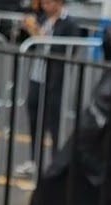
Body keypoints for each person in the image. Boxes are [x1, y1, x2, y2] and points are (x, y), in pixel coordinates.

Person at [15, 0, 82, 177]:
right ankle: (34, 161)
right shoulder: (42, 18)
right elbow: (28, 44)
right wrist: (27, 30)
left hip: (55, 81)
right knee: (34, 118)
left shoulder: (69, 24)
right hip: (37, 76)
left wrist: (40, 35)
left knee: (54, 124)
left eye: (49, 1)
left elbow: (66, 50)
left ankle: (56, 165)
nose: (44, 4)